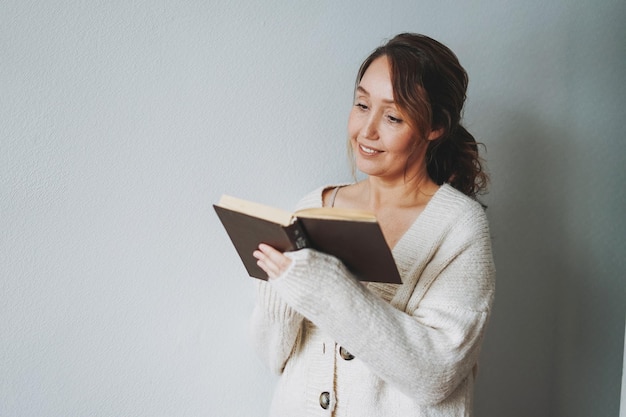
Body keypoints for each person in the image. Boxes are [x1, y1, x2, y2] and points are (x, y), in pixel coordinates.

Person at [250, 33, 496, 417]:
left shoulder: (459, 227)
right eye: (362, 104)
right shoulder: (315, 205)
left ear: (435, 127)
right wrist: (281, 280)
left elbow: (437, 376)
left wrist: (326, 285)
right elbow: (272, 357)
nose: (367, 131)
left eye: (393, 116)